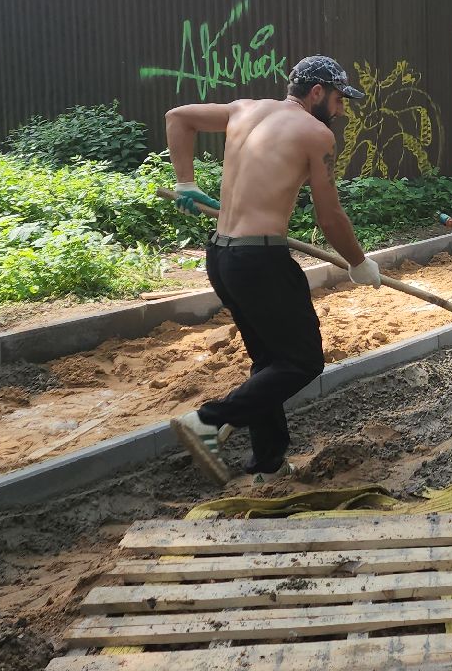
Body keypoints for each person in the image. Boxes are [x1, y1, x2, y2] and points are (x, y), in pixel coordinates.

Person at [162, 55, 382, 483]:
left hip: (223, 257)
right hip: (260, 261)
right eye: (338, 100)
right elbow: (330, 217)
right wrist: (359, 263)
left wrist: (184, 180)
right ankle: (208, 420)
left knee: (269, 361)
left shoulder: (245, 108)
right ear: (316, 92)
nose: (339, 111)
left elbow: (178, 117)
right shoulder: (316, 135)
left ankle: (268, 463)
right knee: (302, 362)